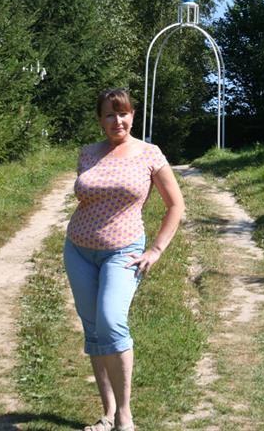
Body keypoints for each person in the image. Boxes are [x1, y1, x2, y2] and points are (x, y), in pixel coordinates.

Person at [64, 88, 185, 431]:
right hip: (78, 250)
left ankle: (125, 416)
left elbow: (176, 205)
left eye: (123, 113)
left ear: (132, 115)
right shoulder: (88, 153)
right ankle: (107, 413)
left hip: (123, 252)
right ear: (100, 120)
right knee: (94, 329)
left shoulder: (150, 154)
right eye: (109, 114)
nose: (117, 120)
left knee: (111, 321)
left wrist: (156, 250)